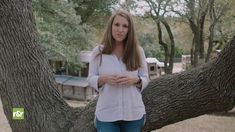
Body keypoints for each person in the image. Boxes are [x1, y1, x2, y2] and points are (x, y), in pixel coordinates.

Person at [88, 10, 149, 132]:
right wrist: (104, 79)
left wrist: (135, 80)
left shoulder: (138, 51)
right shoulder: (98, 51)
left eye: (125, 26)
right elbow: (90, 78)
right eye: (116, 25)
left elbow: (145, 78)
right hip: (107, 114)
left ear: (129, 30)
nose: (120, 30)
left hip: (133, 114)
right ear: (111, 26)